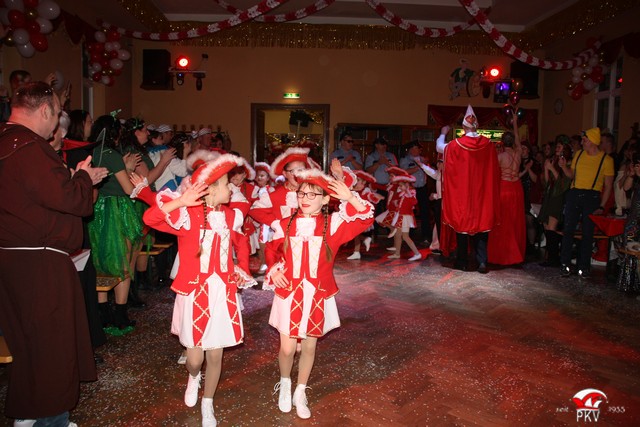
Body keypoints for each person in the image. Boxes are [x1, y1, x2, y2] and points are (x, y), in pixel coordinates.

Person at [0, 81, 107, 425]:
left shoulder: (6, 140)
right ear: (45, 110)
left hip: (14, 257)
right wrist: (84, 178)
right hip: (40, 262)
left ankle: (28, 414)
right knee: (52, 345)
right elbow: (69, 199)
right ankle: (50, 420)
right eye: (58, 113)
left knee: (29, 344)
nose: (59, 123)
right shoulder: (29, 147)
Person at [143, 154, 255, 427]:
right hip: (194, 292)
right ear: (211, 189)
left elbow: (240, 242)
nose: (232, 188)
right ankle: (193, 376)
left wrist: (242, 268)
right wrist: (181, 201)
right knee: (195, 359)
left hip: (223, 292)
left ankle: (208, 402)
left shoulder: (231, 215)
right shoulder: (188, 215)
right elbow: (150, 218)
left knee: (215, 354)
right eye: (227, 184)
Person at [265, 168, 374, 420]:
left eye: (312, 195)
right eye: (301, 193)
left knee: (309, 346)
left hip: (318, 293)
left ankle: (300, 390)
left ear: (325, 200)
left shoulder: (333, 224)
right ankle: (285, 383)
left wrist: (350, 197)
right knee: (287, 349)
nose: (305, 199)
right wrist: (274, 270)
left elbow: (365, 219)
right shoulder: (284, 223)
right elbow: (271, 250)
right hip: (288, 292)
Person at [436, 105, 500, 273]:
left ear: (464, 127)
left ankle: (462, 261)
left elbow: (439, 147)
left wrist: (443, 133)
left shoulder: (456, 144)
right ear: (476, 126)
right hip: (482, 194)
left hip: (463, 194)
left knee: (462, 225)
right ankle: (482, 261)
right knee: (482, 225)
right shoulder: (488, 144)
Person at [558, 127, 614, 278]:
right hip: (575, 193)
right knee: (568, 230)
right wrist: (563, 167)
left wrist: (602, 205)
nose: (582, 142)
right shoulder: (579, 154)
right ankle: (565, 264)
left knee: (588, 233)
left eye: (585, 140)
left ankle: (584, 267)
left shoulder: (606, 160)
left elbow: (608, 186)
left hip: (592, 196)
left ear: (593, 141)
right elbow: (571, 175)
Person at [488, 116, 525, 266]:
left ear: (502, 142)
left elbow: (492, 174)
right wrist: (515, 123)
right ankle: (516, 255)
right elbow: (518, 139)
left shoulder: (500, 156)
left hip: (504, 188)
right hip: (517, 188)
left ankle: (503, 255)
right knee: (515, 221)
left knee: (503, 222)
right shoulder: (519, 153)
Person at [538, 140, 572, 267]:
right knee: (547, 226)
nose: (557, 148)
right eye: (556, 147)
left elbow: (563, 184)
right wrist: (547, 169)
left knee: (552, 227)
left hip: (558, 197)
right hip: (550, 195)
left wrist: (552, 168)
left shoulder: (567, 162)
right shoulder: (554, 160)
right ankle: (551, 257)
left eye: (559, 146)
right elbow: (548, 182)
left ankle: (554, 258)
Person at [383, 173, 422, 261]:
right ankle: (397, 253)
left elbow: (414, 202)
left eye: (401, 186)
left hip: (405, 217)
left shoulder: (411, 192)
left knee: (405, 236)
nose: (399, 187)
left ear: (407, 185)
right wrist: (397, 204)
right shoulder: (404, 194)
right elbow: (404, 204)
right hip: (401, 216)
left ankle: (417, 253)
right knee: (398, 235)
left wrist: (407, 191)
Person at [345, 170, 383, 260]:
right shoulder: (355, 190)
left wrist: (376, 197)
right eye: (356, 180)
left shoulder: (366, 191)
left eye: (358, 180)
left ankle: (358, 250)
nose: (356, 182)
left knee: (354, 233)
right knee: (354, 234)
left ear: (364, 182)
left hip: (361, 216)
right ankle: (360, 246)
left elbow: (371, 197)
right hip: (355, 215)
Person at [400, 140, 431, 243]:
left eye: (417, 148)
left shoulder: (423, 159)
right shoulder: (405, 160)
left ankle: (426, 235)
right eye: (414, 148)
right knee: (409, 212)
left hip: (422, 188)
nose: (416, 150)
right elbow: (404, 172)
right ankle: (408, 235)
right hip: (410, 189)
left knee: (425, 211)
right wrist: (419, 166)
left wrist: (425, 164)